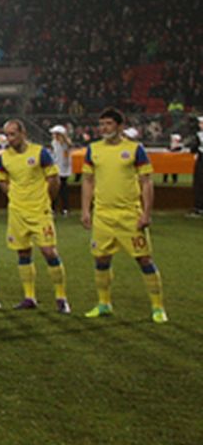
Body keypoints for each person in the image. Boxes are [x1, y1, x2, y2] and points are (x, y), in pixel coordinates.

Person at [81, 108, 166, 323]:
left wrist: (146, 213)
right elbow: (88, 181)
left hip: (129, 214)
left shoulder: (135, 149)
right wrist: (85, 210)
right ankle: (104, 303)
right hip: (102, 214)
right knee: (101, 258)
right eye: (101, 125)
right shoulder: (93, 150)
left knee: (144, 259)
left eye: (109, 124)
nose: (104, 128)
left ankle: (158, 307)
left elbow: (146, 181)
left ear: (120, 126)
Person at [0, 119, 68, 313]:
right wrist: (12, 194)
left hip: (39, 211)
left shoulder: (40, 153)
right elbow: (1, 179)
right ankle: (29, 297)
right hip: (17, 212)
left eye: (13, 134)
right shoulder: (4, 157)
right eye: (7, 135)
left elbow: (53, 179)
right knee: (23, 253)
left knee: (49, 252)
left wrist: (47, 200)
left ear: (23, 133)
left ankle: (61, 297)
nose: (10, 138)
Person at [49, 125, 73, 214]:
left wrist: (64, 137)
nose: (53, 135)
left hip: (63, 169)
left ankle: (65, 208)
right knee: (54, 189)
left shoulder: (65, 143)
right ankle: (53, 208)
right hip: (55, 168)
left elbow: (69, 145)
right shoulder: (54, 142)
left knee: (63, 189)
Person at [186, 116, 203, 217]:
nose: (199, 125)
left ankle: (199, 208)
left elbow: (193, 148)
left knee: (199, 183)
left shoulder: (199, 135)